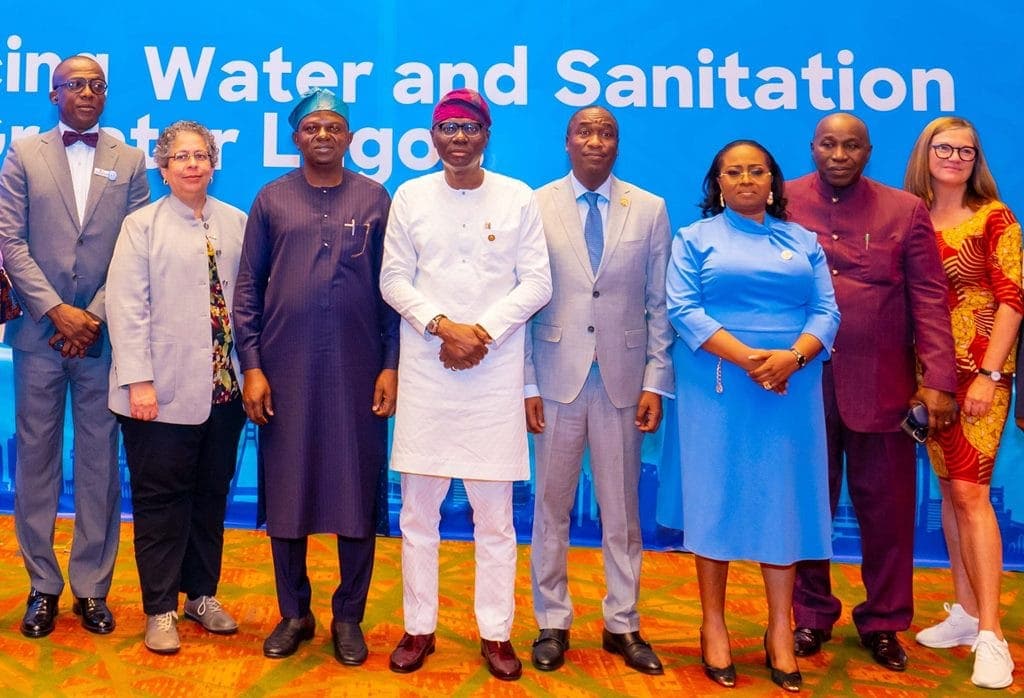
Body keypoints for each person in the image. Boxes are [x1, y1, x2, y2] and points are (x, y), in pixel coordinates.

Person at [380, 88, 551, 682]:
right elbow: (393, 279)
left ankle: (496, 633)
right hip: (428, 368)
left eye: (469, 128)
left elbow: (537, 283)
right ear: (434, 136)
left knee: (495, 519)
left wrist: (481, 333)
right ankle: (418, 627)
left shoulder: (517, 196)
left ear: (486, 135)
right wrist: (442, 327)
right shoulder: (410, 195)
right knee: (417, 514)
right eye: (447, 128)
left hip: (493, 372)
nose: (458, 138)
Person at [233, 88, 398, 665]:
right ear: (295, 137)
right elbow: (247, 290)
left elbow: (392, 293)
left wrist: (390, 365)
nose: (323, 135)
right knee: (288, 490)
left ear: (349, 137)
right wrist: (253, 367)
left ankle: (348, 616)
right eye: (312, 127)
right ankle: (294, 613)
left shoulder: (375, 198)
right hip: (285, 370)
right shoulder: (271, 199)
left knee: (356, 489)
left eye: (333, 127)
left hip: (358, 370)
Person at [668, 139, 839, 692]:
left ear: (773, 182)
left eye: (757, 171)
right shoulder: (694, 239)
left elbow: (826, 310)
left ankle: (780, 630)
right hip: (717, 383)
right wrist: (751, 360)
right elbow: (683, 309)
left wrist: (791, 358)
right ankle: (713, 626)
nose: (746, 179)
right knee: (714, 498)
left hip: (791, 385)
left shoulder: (803, 240)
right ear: (718, 184)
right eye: (734, 172)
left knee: (782, 503)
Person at [788, 113, 958, 671]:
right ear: (812, 148)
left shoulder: (904, 210)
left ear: (868, 151)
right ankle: (810, 616)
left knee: (887, 515)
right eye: (829, 144)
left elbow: (929, 298)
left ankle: (884, 622)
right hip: (800, 387)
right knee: (807, 507)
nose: (839, 155)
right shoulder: (782, 202)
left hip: (883, 388)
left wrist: (938, 381)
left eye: (851, 146)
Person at [0, 54, 149, 639]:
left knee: (99, 465)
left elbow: (135, 247)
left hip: (103, 337)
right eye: (75, 84)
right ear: (54, 93)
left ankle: (92, 588)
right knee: (35, 462)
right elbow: (9, 242)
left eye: (96, 85)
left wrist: (92, 316)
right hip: (39, 335)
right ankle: (42, 585)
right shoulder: (23, 154)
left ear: (105, 95)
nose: (87, 93)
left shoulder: (130, 160)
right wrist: (57, 311)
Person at [525, 106, 673, 676]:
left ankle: (623, 623)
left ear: (617, 144)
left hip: (623, 381)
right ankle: (552, 621)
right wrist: (527, 383)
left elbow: (659, 305)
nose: (595, 140)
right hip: (554, 377)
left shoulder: (650, 208)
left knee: (623, 513)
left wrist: (656, 381)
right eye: (584, 131)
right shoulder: (535, 204)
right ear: (567, 142)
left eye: (606, 132)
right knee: (551, 508)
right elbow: (522, 298)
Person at [106, 121, 247, 654]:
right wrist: (138, 381)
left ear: (214, 164)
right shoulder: (141, 226)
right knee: (161, 504)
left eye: (201, 155)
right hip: (157, 395)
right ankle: (160, 608)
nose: (192, 164)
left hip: (224, 391)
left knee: (211, 497)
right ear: (163, 169)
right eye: (181, 157)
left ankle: (201, 595)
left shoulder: (236, 221)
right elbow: (126, 307)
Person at [903, 116, 1022, 689]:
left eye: (966, 151)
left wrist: (991, 375)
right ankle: (967, 612)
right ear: (925, 154)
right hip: (931, 377)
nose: (954, 158)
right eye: (944, 148)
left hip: (981, 376)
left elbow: (1013, 300)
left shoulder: (995, 217)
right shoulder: (911, 216)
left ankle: (993, 636)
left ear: (977, 160)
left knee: (973, 494)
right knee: (950, 490)